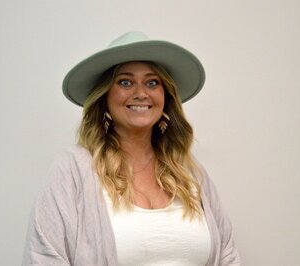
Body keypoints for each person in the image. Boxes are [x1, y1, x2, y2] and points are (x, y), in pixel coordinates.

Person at [22, 31, 240, 266]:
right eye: (125, 82)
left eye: (152, 82)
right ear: (104, 96)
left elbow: (227, 256)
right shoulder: (73, 170)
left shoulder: (190, 174)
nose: (140, 93)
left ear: (165, 97)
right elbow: (44, 258)